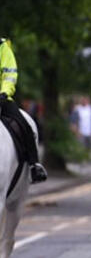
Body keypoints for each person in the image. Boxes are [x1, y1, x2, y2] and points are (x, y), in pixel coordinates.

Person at [0, 37, 47, 183]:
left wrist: (4, 93)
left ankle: (34, 165)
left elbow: (9, 74)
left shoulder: (2, 47)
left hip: (1, 98)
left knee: (23, 124)